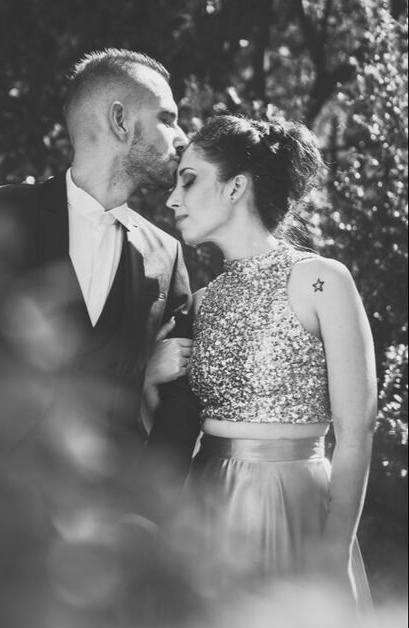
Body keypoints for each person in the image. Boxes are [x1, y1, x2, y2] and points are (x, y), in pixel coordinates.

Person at [0, 48, 200, 625]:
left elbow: (180, 400)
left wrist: (148, 511)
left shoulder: (166, 256)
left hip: (100, 553)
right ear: (120, 120)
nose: (181, 136)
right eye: (167, 118)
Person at [164, 114, 376, 610]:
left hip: (295, 504)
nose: (173, 198)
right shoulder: (202, 302)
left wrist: (333, 553)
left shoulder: (321, 281)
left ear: (236, 186)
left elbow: (357, 430)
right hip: (206, 509)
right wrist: (151, 375)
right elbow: (171, 429)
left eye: (188, 180)